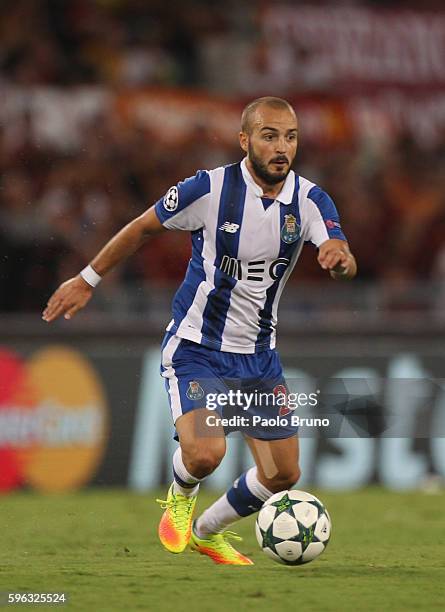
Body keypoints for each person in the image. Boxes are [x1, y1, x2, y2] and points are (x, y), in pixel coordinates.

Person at [42, 96, 357, 565]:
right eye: (269, 136)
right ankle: (181, 493)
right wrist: (88, 279)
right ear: (245, 140)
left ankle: (207, 531)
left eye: (290, 136)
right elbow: (142, 228)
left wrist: (340, 260)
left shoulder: (310, 200)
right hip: (198, 348)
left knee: (282, 475)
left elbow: (339, 251)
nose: (281, 147)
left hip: (258, 358)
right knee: (207, 453)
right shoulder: (208, 189)